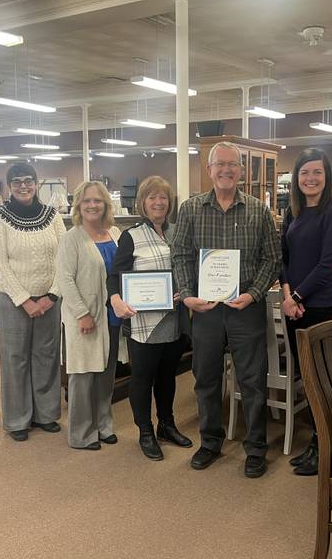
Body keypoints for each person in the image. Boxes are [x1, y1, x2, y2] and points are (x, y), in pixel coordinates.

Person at [171, 141, 281, 478]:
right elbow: (181, 256)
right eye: (220, 164)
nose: (226, 170)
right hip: (205, 310)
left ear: (242, 172)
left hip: (244, 308)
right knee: (205, 379)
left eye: (233, 165)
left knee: (252, 381)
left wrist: (253, 294)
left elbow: (272, 259)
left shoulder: (258, 211)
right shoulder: (190, 209)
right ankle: (210, 442)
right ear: (209, 170)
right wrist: (188, 296)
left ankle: (256, 449)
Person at [107, 176, 192, 461]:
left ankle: (166, 424)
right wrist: (115, 298)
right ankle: (145, 431)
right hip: (143, 322)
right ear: (142, 202)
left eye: (163, 198)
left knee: (168, 377)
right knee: (142, 379)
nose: (158, 202)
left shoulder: (178, 231)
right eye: (152, 197)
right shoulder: (131, 235)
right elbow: (115, 276)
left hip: (174, 318)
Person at [280, 148, 332, 476]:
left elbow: (328, 265)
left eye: (317, 173)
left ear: (326, 177)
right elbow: (284, 259)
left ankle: (326, 442)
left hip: (319, 305)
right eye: (305, 172)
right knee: (306, 377)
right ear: (296, 177)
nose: (310, 178)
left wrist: (296, 295)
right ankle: (319, 438)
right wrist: (286, 295)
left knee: (324, 377)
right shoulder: (292, 211)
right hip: (293, 307)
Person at [0, 163, 66, 442]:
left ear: (36, 184)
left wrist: (51, 295)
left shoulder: (52, 216)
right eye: (17, 181)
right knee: (15, 358)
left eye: (28, 180)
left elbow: (63, 259)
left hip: (49, 299)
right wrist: (24, 300)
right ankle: (18, 419)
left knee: (47, 356)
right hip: (11, 299)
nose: (23, 186)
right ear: (9, 186)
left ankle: (45, 415)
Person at [59, 181, 127, 451]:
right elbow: (64, 279)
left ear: (106, 204)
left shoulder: (115, 233)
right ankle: (81, 434)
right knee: (83, 376)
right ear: (78, 205)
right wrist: (81, 314)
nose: (92, 205)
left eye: (97, 200)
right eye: (86, 201)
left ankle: (103, 425)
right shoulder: (71, 238)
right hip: (84, 319)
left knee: (106, 375)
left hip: (112, 316)